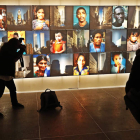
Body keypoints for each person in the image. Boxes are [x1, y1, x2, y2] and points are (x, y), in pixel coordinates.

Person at [0, 38, 26, 117]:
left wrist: (19, 51)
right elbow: (12, 58)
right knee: (0, 93)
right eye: (18, 45)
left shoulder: (7, 49)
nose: (18, 46)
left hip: (7, 74)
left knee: (12, 89)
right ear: (14, 44)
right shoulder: (6, 51)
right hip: (3, 74)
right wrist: (21, 51)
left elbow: (14, 58)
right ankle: (14, 103)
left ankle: (15, 103)